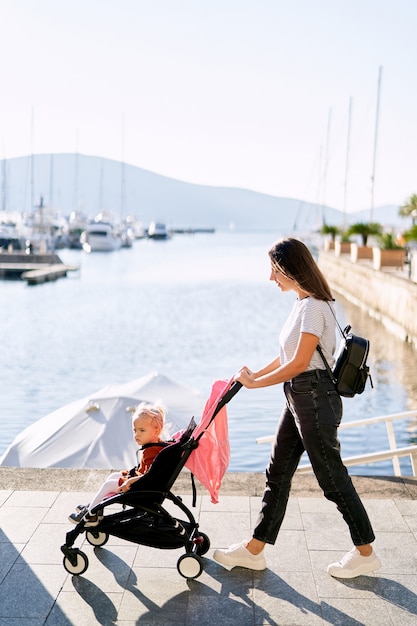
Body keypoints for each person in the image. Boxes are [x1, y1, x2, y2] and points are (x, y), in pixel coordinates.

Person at [213, 237, 381, 579]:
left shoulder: (315, 306)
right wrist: (255, 372)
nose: (271, 278)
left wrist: (258, 384)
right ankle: (255, 550)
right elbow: (289, 356)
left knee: (331, 478)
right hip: (299, 397)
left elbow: (300, 363)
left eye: (274, 270)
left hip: (314, 398)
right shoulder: (303, 303)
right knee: (277, 473)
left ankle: (365, 552)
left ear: (289, 268)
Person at [69, 401, 168, 526]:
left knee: (109, 485)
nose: (136, 435)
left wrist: (129, 481)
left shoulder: (151, 451)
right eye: (135, 430)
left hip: (141, 488)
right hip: (143, 483)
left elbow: (149, 475)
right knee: (113, 476)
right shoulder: (157, 445)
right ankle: (94, 507)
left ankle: (90, 515)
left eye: (142, 430)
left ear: (156, 430)